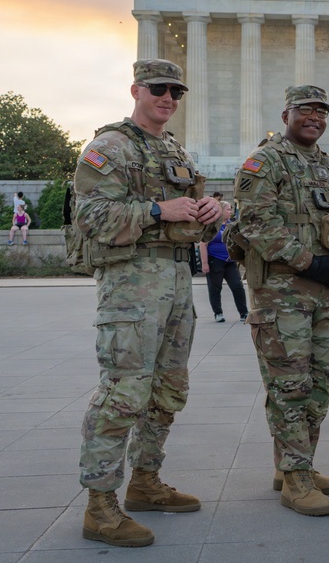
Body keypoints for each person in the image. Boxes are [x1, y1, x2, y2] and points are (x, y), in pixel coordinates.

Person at [74, 59, 221, 547]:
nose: (168, 98)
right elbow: (90, 216)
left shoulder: (174, 151)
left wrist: (212, 212)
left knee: (168, 389)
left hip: (176, 281)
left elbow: (193, 223)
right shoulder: (109, 147)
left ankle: (145, 481)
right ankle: (99, 505)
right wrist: (159, 209)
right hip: (131, 285)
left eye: (176, 91)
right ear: (136, 89)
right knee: (124, 392)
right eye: (158, 88)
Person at [230, 85, 329, 517]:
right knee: (290, 386)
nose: (314, 118)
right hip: (282, 294)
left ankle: (295, 465)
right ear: (286, 114)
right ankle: (295, 477)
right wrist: (310, 263)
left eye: (321, 112)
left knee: (320, 384)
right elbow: (256, 223)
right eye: (305, 110)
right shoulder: (264, 161)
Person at [199, 201, 249, 323]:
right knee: (215, 288)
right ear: (221, 210)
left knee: (237, 286)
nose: (230, 212)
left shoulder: (231, 225)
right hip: (215, 261)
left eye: (231, 209)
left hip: (230, 261)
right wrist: (205, 263)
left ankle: (244, 313)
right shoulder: (211, 226)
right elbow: (203, 244)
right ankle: (218, 313)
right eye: (228, 209)